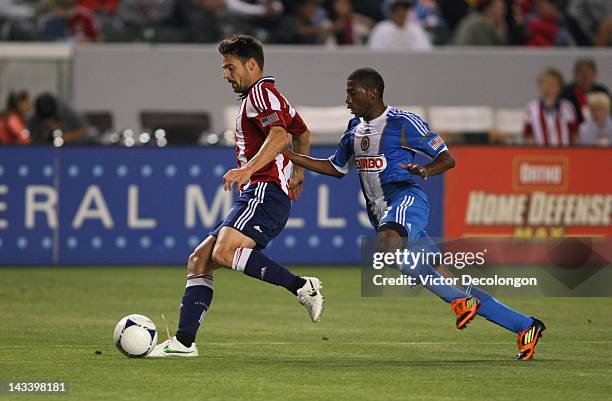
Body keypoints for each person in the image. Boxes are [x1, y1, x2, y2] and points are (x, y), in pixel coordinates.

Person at [286, 67, 546, 360]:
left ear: (372, 93)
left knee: (386, 249)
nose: (347, 99)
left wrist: (426, 170)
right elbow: (336, 168)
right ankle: (525, 325)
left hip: (408, 201)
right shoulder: (353, 130)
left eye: (352, 92)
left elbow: (447, 158)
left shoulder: (403, 122)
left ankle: (461, 302)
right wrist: (291, 156)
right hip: (383, 214)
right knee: (449, 279)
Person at [148, 34, 324, 358]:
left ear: (252, 64)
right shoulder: (274, 97)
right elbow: (302, 132)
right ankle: (184, 344)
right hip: (261, 193)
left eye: (230, 67)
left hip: (263, 191)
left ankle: (301, 286)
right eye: (224, 68)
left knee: (225, 252)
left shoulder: (260, 93)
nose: (226, 74)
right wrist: (298, 175)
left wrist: (248, 170)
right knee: (200, 260)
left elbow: (280, 135)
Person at [523, 67, 578, 146]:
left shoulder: (567, 107)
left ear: (559, 87)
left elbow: (574, 134)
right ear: (540, 85)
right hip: (540, 153)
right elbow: (528, 135)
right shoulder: (531, 108)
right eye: (546, 84)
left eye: (553, 85)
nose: (548, 88)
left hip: (564, 153)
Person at [28, 93, 93, 144]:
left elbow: (85, 130)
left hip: (72, 147)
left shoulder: (66, 112)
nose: (47, 123)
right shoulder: (34, 119)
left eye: (49, 119)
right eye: (44, 121)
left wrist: (68, 137)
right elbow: (31, 139)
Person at [368, 0, 432, 50]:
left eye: (405, 10)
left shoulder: (416, 29)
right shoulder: (381, 29)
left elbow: (426, 51)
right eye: (398, 10)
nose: (402, 13)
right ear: (392, 12)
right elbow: (375, 52)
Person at [562, 58, 610, 124]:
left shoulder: (602, 91)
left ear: (595, 73)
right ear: (575, 73)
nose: (585, 75)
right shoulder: (566, 93)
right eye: (581, 72)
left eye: (588, 71)